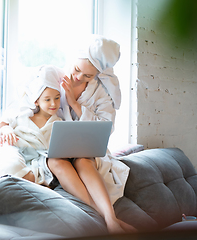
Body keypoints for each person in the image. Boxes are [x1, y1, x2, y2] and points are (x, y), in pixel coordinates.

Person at [46, 34, 136, 234]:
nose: (79, 77)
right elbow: (31, 102)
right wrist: (3, 126)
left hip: (87, 152)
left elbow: (107, 127)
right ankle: (105, 217)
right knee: (54, 161)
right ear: (73, 60)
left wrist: (75, 104)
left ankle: (111, 218)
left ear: (97, 74)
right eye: (77, 70)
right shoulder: (53, 77)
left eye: (88, 76)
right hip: (56, 150)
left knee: (82, 160)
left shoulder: (102, 92)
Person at [0, 65, 63, 184]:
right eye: (47, 100)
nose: (53, 103)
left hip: (37, 161)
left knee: (32, 176)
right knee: (12, 164)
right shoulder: (23, 115)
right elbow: (3, 125)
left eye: (57, 98)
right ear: (36, 101)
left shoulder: (58, 123)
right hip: (14, 150)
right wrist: (6, 129)